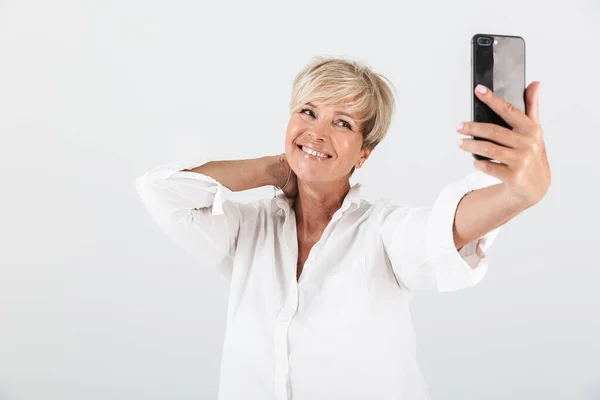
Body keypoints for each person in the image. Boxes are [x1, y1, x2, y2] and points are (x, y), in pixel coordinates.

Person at [135, 56, 551, 400]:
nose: (317, 131)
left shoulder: (382, 231)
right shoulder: (249, 229)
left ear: (363, 154)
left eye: (343, 123)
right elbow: (161, 191)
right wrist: (277, 167)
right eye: (308, 112)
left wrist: (517, 194)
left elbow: (441, 231)